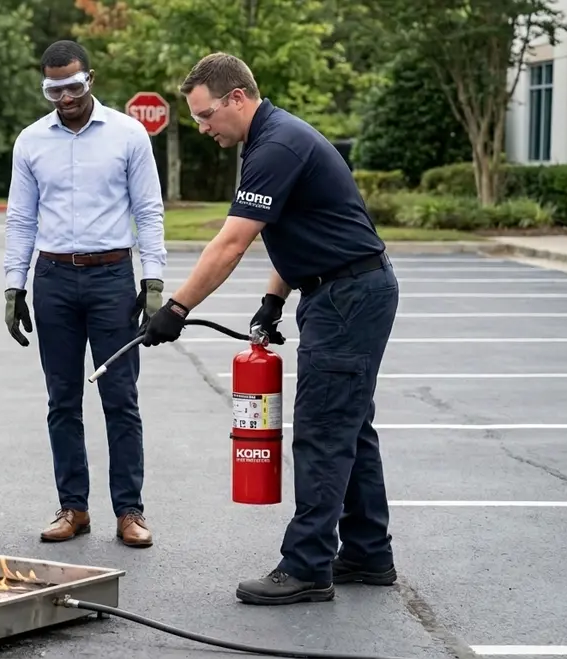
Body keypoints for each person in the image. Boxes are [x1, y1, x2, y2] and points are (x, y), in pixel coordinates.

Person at [140, 52, 400, 604]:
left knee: (323, 431)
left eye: (206, 115)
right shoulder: (271, 140)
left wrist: (177, 309)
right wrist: (272, 299)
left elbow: (232, 241)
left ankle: (307, 566)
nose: (203, 127)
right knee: (350, 425)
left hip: (349, 296)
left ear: (237, 98)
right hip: (341, 288)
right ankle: (367, 552)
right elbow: (296, 227)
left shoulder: (276, 145)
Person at [4, 40, 167, 548]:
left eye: (74, 85)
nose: (66, 96)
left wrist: (153, 281)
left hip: (111, 277)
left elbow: (149, 210)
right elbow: (21, 218)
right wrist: (15, 285)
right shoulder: (31, 142)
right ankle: (74, 507)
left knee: (121, 398)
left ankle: (130, 510)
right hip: (53, 279)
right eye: (55, 88)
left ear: (89, 79)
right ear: (45, 87)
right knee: (62, 400)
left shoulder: (128, 134)